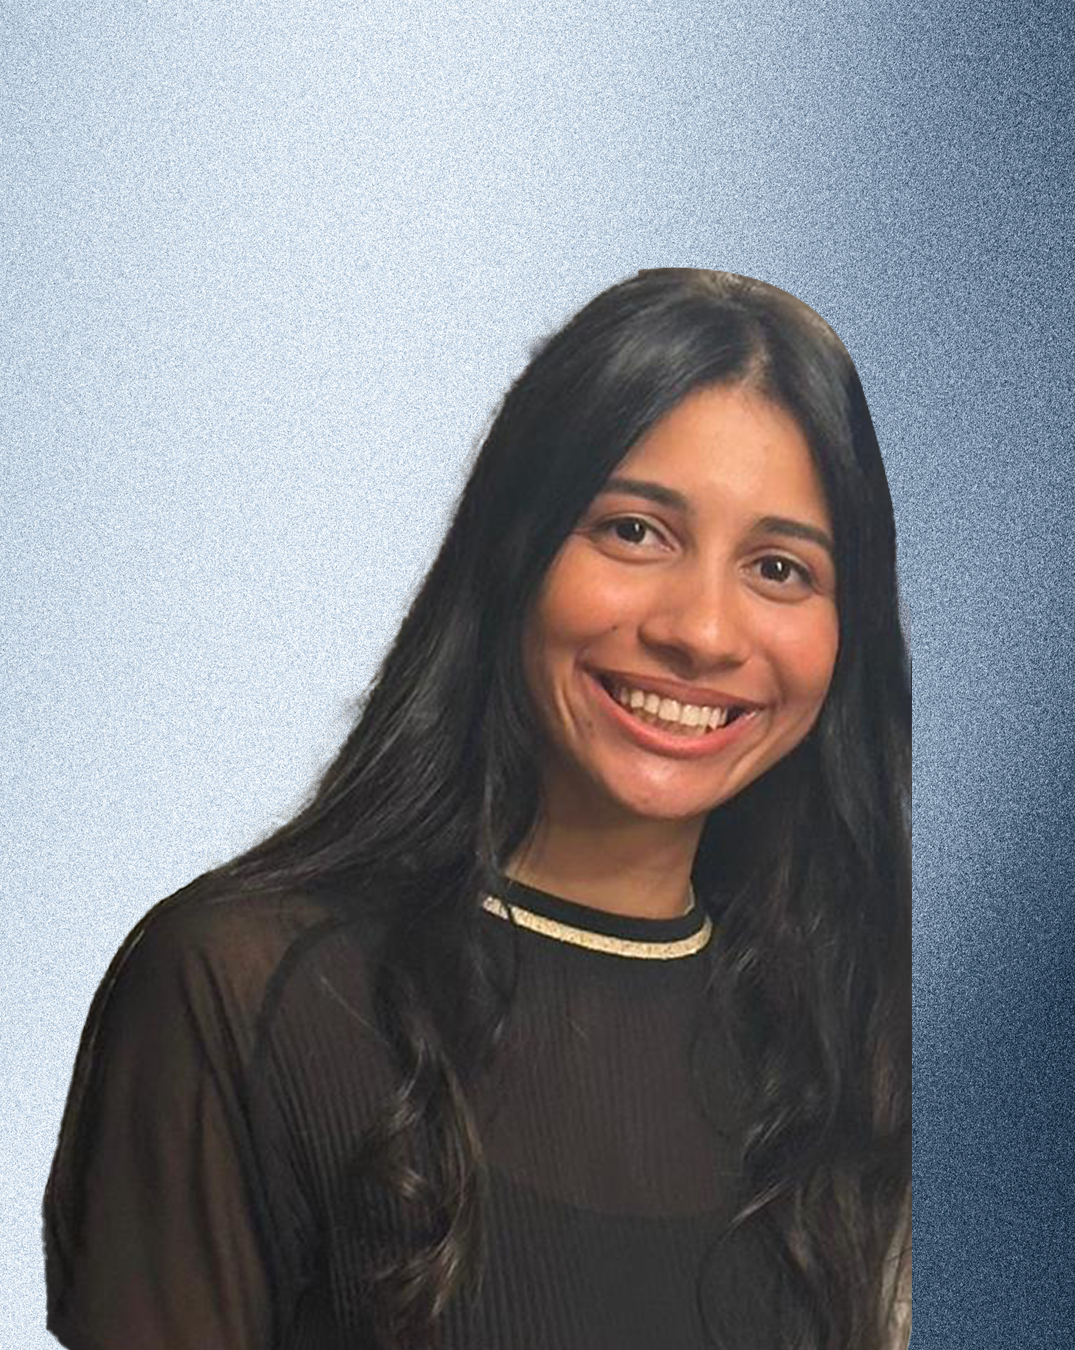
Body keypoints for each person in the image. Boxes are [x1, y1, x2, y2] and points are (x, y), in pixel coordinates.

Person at [42, 269, 911, 1350]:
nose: (702, 631)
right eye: (634, 531)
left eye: (779, 568)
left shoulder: (862, 1051)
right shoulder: (237, 989)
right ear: (514, 549)